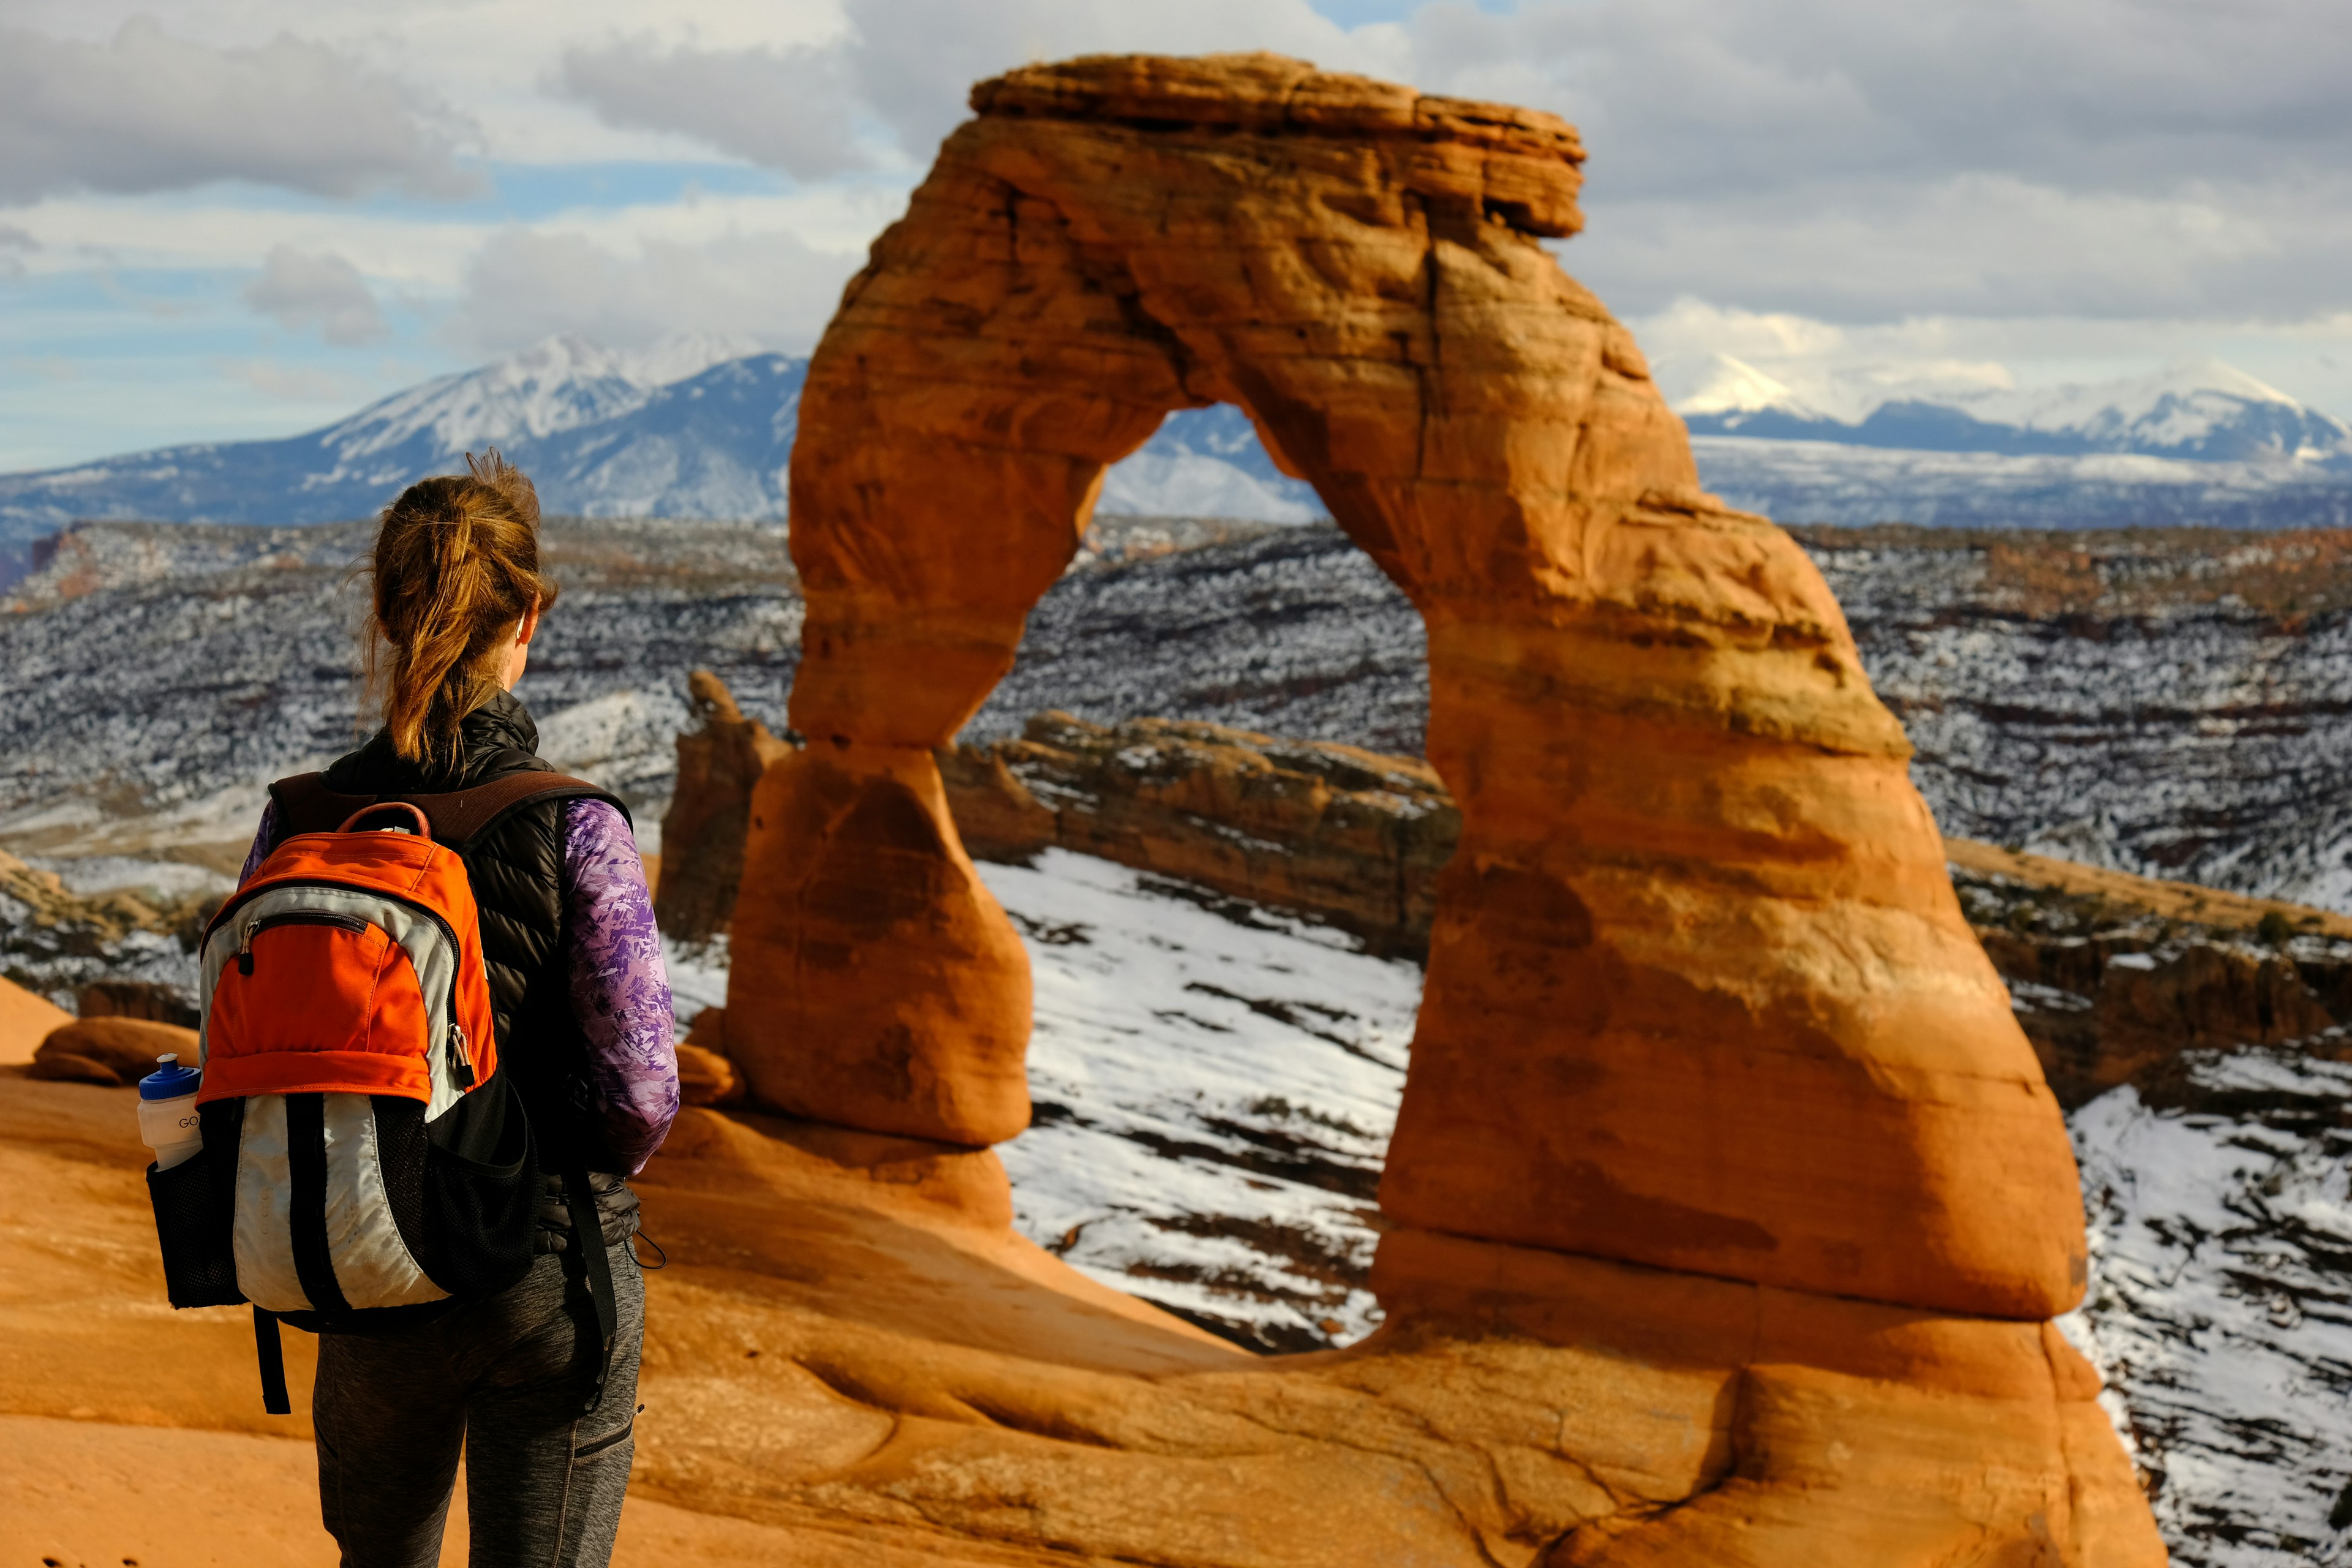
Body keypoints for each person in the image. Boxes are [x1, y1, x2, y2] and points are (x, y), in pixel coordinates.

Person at [233, 451, 679, 1567]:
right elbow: (640, 1093)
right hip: (545, 1272)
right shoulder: (578, 824)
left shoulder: (296, 824)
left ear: (385, 614)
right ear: (527, 614)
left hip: (366, 1256)